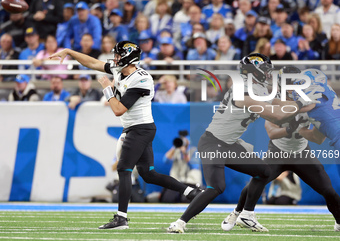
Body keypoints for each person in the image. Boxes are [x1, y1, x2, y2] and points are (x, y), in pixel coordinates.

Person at [49, 40, 201, 229]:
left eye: (118, 55)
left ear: (129, 58)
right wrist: (70, 51)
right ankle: (191, 192)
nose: (115, 58)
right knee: (149, 174)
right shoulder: (119, 69)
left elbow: (119, 109)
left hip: (140, 128)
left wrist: (107, 88)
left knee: (124, 169)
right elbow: (93, 63)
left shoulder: (141, 78)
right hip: (137, 128)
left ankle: (121, 218)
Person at [167, 53, 322, 233]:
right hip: (213, 143)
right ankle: (180, 222)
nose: (268, 73)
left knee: (264, 171)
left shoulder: (258, 88)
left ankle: (246, 215)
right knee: (216, 187)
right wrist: (301, 103)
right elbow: (277, 115)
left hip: (230, 143)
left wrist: (311, 103)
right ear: (253, 71)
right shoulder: (242, 91)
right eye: (265, 69)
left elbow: (281, 103)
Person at [221, 67, 340, 232]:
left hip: (301, 153)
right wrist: (289, 129)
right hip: (278, 152)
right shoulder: (274, 99)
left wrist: (303, 128)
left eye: (293, 84)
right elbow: (271, 132)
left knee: (329, 191)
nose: (290, 88)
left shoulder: (310, 99)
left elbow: (318, 139)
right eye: (287, 84)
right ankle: (238, 213)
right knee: (256, 179)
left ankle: (339, 221)